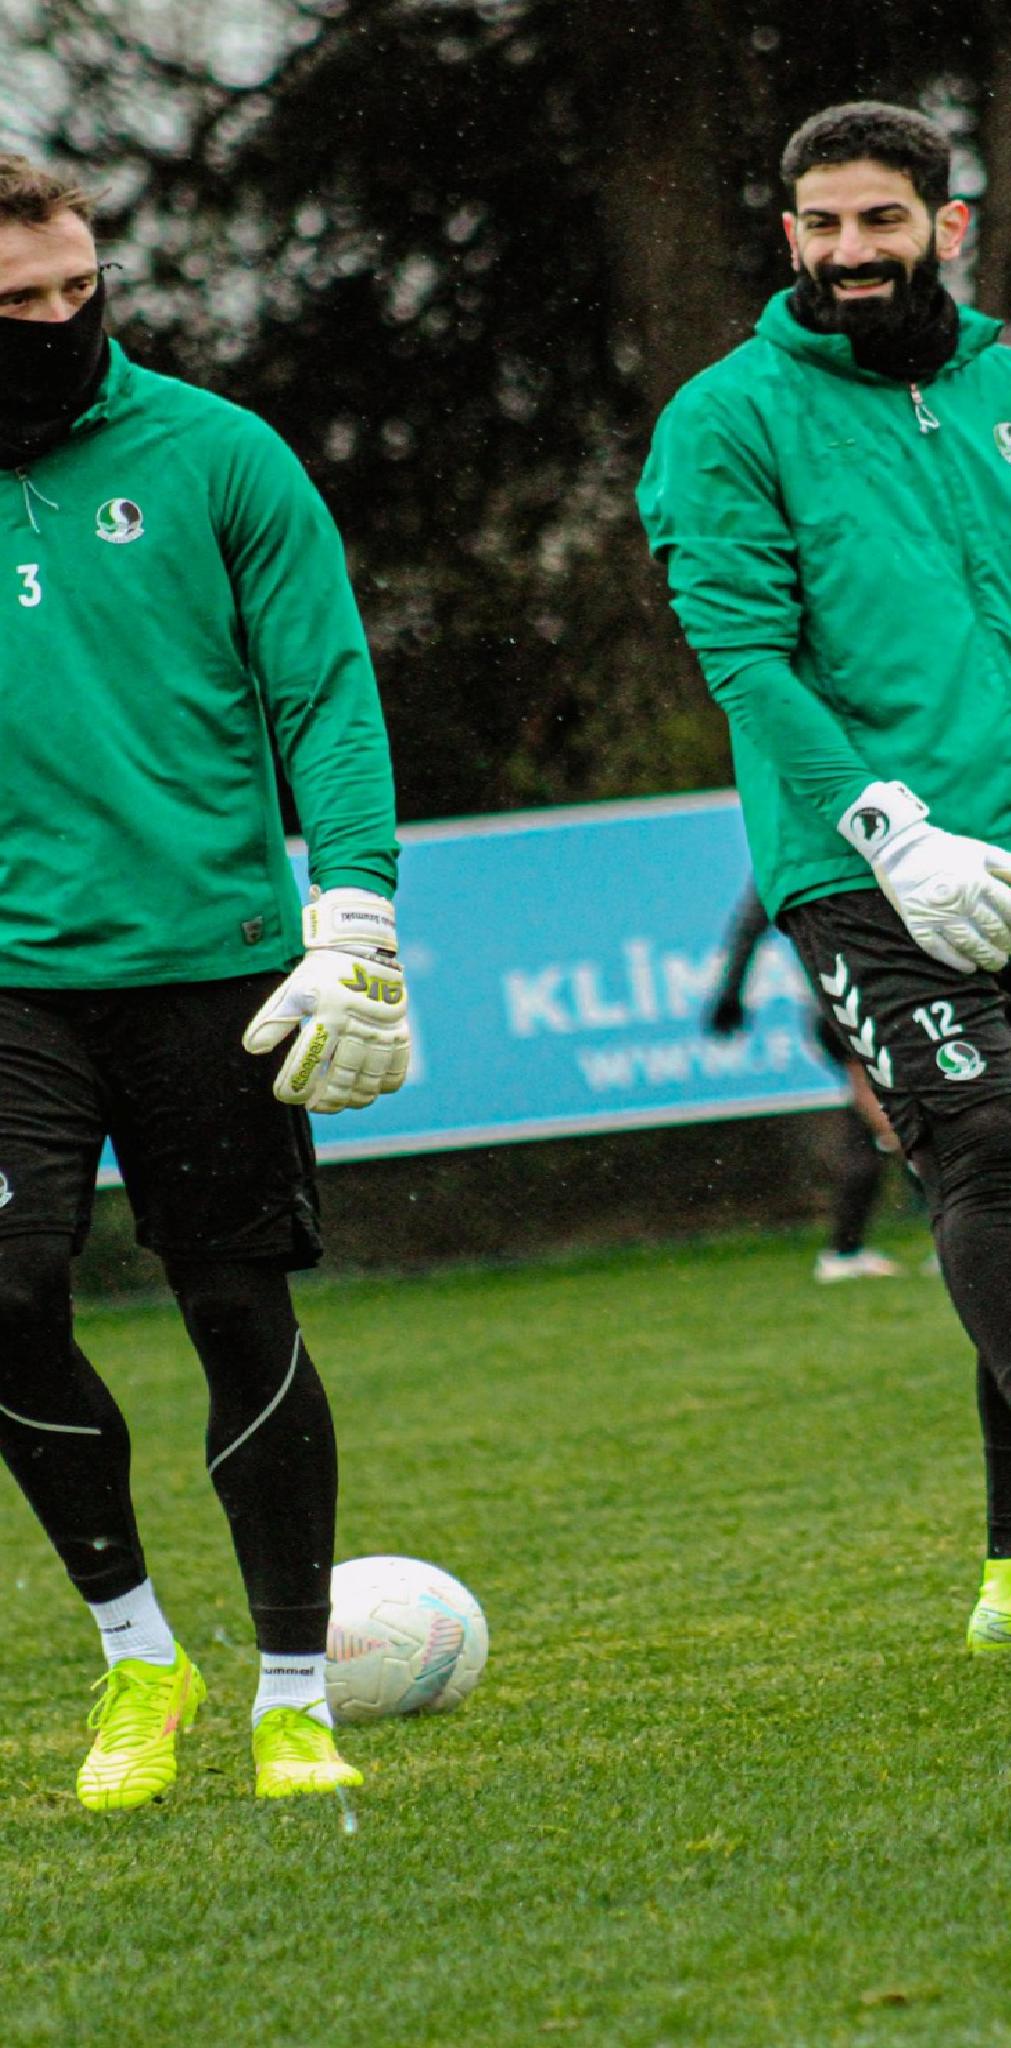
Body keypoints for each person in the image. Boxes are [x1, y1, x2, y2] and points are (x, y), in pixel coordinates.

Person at [638, 103, 1011, 1653]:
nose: (850, 251)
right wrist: (888, 828)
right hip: (860, 867)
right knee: (984, 1143)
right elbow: (744, 658)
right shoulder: (725, 417)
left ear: (944, 227)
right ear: (788, 237)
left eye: (879, 220)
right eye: (820, 225)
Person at [0, 155, 410, 1805]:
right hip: (11, 983)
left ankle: (294, 1696)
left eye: (77, 289)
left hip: (219, 968)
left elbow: (325, 690)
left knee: (236, 1312)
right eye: (17, 302)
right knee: (4, 1298)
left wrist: (355, 909)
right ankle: (139, 1656)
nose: (57, 322)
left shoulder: (219, 454)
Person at [706, 878, 908, 1281]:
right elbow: (750, 924)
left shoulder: (789, 860)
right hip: (858, 1004)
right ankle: (965, 1223)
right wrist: (730, 994)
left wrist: (731, 993)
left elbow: (748, 927)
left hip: (846, 1004)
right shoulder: (840, 855)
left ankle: (845, 1250)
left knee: (871, 1126)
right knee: (897, 1118)